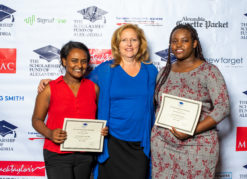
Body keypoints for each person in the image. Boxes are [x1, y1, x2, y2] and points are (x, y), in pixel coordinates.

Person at [37, 24, 158, 179]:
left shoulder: (150, 70)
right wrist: (51, 82)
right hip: (112, 139)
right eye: (124, 40)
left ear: (140, 43)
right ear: (117, 44)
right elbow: (78, 80)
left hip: (140, 141)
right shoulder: (106, 70)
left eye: (133, 39)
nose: (129, 44)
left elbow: (164, 91)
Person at [151, 24, 230, 179]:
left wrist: (191, 130)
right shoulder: (163, 73)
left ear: (194, 43)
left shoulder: (209, 71)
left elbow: (223, 107)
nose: (178, 45)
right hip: (163, 147)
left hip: (198, 147)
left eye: (184, 41)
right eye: (174, 41)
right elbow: (158, 105)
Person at [32, 41, 108, 179]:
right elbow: (36, 120)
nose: (79, 65)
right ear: (64, 61)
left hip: (85, 154)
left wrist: (101, 130)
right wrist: (49, 133)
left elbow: (97, 119)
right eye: (74, 61)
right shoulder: (49, 88)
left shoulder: (94, 88)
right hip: (57, 154)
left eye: (84, 61)